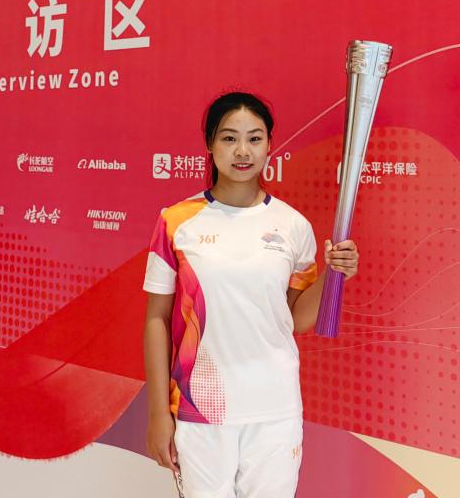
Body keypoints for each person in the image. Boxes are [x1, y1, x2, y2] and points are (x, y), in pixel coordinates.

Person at [143, 91, 359, 498]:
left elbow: (297, 319)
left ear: (269, 145)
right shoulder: (176, 222)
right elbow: (157, 318)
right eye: (229, 138)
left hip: (274, 409)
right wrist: (158, 413)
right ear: (210, 144)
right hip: (201, 408)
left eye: (254, 138)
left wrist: (334, 273)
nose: (242, 151)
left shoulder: (293, 225)